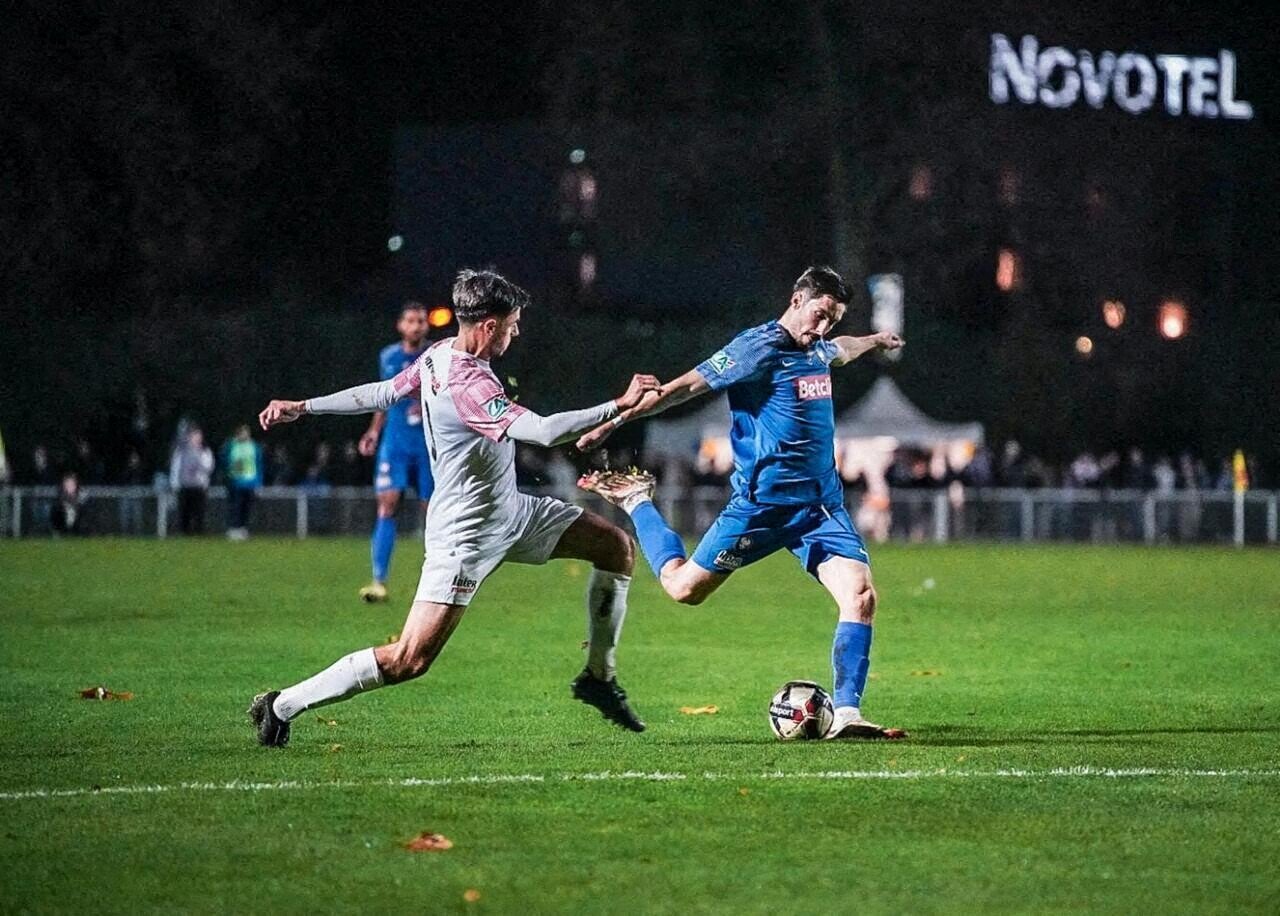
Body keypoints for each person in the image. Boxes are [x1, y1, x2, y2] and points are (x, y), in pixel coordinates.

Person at [249, 268, 659, 746]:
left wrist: (304, 405)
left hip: (513, 512)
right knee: (408, 660)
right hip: (466, 534)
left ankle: (598, 679)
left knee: (615, 547)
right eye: (512, 324)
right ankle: (281, 705)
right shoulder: (469, 385)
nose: (517, 332)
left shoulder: (437, 356)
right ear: (488, 326)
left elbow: (382, 392)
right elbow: (546, 433)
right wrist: (620, 405)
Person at [577, 265, 907, 740]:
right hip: (760, 509)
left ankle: (849, 713)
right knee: (684, 589)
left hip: (820, 509)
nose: (822, 328)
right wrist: (614, 422)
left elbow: (842, 350)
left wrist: (874, 339)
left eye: (831, 320)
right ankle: (636, 501)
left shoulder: (817, 348)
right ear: (796, 300)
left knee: (861, 595)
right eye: (818, 315)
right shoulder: (758, 347)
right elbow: (683, 388)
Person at [356, 302, 436, 603]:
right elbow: (383, 399)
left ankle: (436, 583)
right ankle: (378, 580)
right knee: (387, 504)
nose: (416, 326)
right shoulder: (388, 356)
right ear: (401, 325)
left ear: (426, 327)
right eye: (411, 321)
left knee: (434, 511)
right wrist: (374, 431)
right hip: (396, 442)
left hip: (429, 444)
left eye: (421, 321)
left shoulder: (435, 356)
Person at [222, 425, 263, 540]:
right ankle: (233, 528)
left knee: (246, 507)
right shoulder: (231, 445)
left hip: (250, 481)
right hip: (235, 481)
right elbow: (224, 460)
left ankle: (243, 528)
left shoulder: (254, 446)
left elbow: (258, 464)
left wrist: (258, 482)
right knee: (235, 506)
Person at [170, 426, 214, 535]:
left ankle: (199, 531)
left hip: (199, 485)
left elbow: (209, 467)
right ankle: (185, 532)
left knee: (199, 510)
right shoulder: (181, 451)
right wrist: (174, 483)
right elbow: (175, 467)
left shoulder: (204, 451)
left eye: (198, 436)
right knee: (185, 510)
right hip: (185, 485)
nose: (196, 438)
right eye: (194, 436)